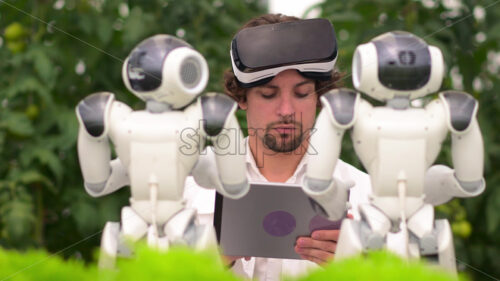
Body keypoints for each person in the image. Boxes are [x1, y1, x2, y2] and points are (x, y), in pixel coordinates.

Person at [183, 14, 371, 280]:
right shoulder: (186, 188)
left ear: (319, 97)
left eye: (302, 93)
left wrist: (357, 270)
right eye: (268, 94)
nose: (286, 111)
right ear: (241, 97)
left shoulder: (367, 196)